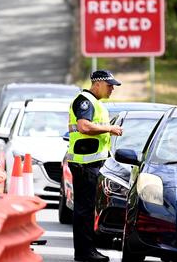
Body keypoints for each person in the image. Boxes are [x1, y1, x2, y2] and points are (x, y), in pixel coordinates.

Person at [67, 69, 123, 262]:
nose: (112, 89)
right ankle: (84, 253)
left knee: (87, 210)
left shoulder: (95, 103)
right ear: (97, 84)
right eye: (109, 86)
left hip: (91, 163)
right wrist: (110, 128)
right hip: (85, 164)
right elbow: (84, 126)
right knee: (84, 210)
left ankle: (87, 250)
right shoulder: (84, 101)